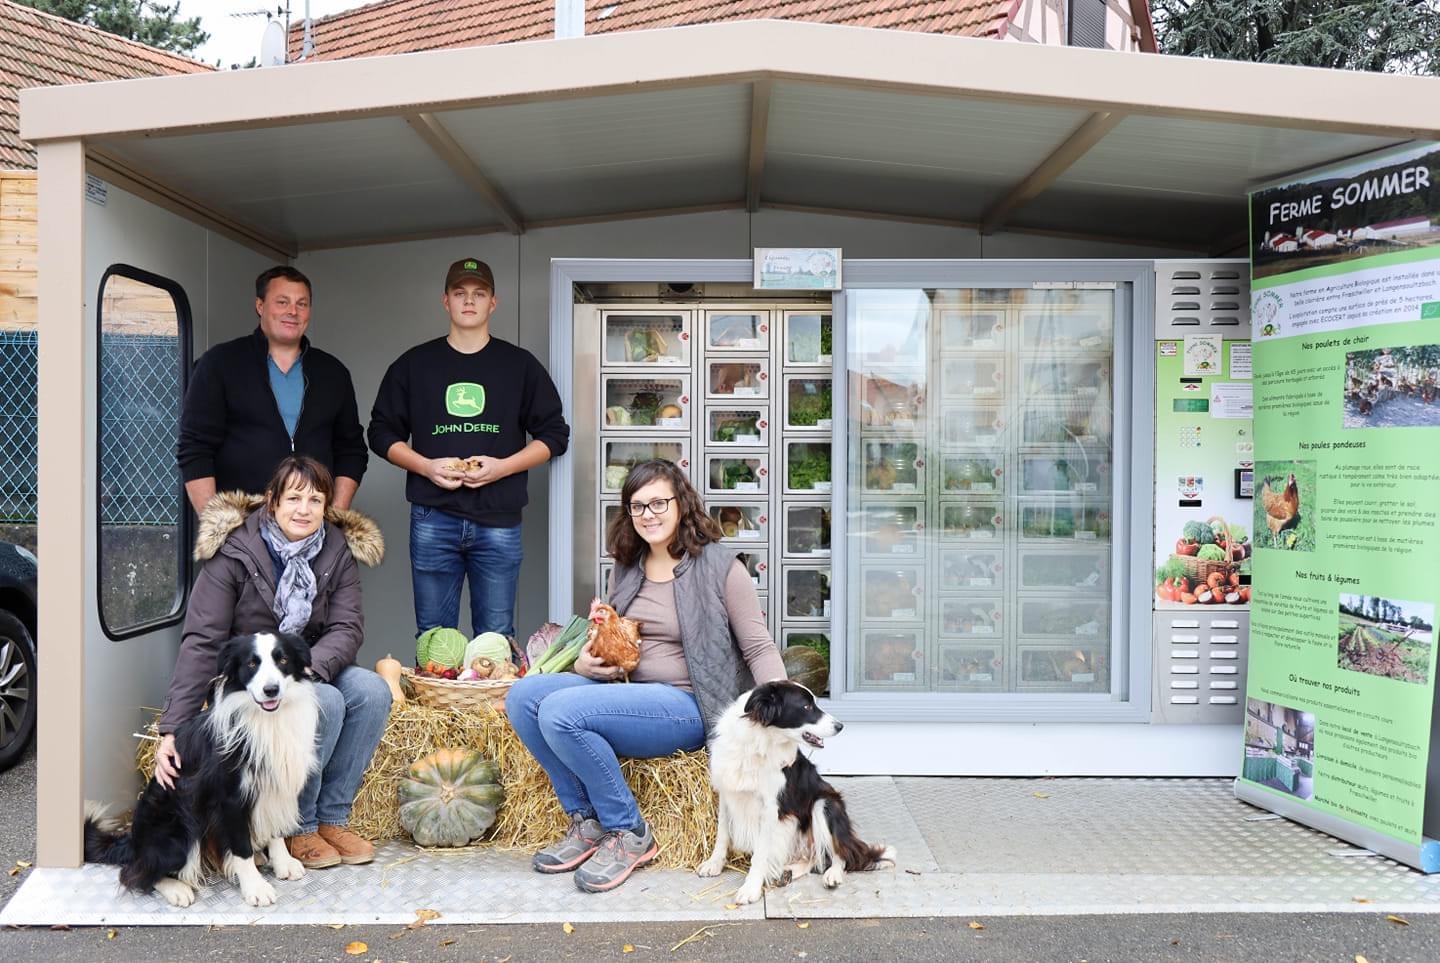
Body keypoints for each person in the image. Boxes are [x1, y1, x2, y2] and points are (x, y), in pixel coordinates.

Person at [506, 459, 786, 893]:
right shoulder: (628, 566)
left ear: (682, 504)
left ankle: (630, 830)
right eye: (637, 507)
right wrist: (585, 661)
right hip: (630, 692)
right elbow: (617, 636)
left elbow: (757, 645)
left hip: (689, 703)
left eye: (658, 503)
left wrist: (783, 718)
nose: (648, 515)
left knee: (561, 712)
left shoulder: (721, 566)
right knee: (523, 697)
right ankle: (587, 821)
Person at [154, 455, 390, 869]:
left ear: (326, 507)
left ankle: (333, 818)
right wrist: (173, 726)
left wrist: (308, 669)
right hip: (254, 676)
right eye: (294, 498)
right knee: (327, 702)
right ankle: (299, 826)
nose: (304, 509)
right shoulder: (235, 550)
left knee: (371, 690)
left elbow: (348, 627)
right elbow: (203, 639)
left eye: (315, 500)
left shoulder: (336, 548)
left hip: (308, 664)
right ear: (272, 502)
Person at [367, 257, 569, 643]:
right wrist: (425, 466)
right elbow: (380, 433)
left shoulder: (520, 366)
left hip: (499, 519)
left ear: (494, 303)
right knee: (433, 637)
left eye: (479, 294)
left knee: (495, 637)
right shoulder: (415, 364)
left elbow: (554, 435)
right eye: (460, 293)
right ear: (445, 301)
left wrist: (503, 467)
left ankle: (491, 706)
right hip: (433, 516)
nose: (469, 301)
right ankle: (438, 701)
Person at [178, 265, 368, 514]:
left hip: (311, 525)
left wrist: (336, 515)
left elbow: (351, 450)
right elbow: (195, 448)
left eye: (302, 304)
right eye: (282, 302)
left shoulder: (333, 372)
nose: (293, 311)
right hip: (242, 525)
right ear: (260, 306)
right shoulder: (220, 363)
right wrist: (219, 527)